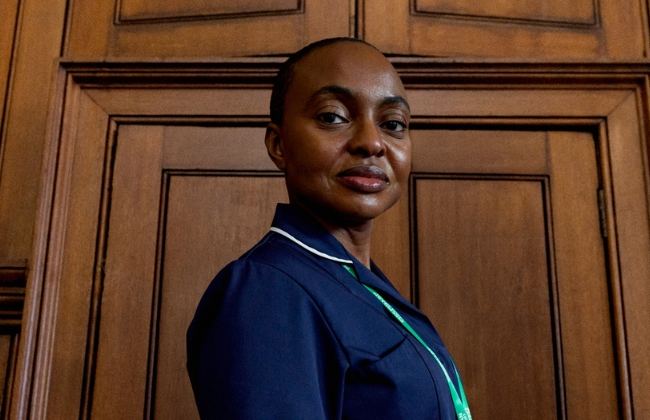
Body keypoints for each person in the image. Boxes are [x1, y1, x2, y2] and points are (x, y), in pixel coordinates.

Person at [186, 38, 473, 420]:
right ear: (278, 144)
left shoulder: (361, 285)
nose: (372, 142)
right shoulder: (267, 291)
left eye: (392, 124)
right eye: (333, 117)